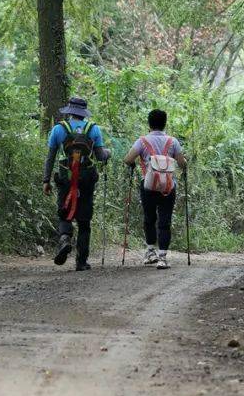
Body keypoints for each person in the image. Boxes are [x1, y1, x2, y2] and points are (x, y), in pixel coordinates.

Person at [43, 96, 110, 271]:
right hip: (87, 179)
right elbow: (101, 157)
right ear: (84, 113)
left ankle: (65, 239)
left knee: (65, 214)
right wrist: (108, 153)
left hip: (65, 177)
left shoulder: (58, 129)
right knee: (84, 220)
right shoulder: (93, 129)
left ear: (70, 111)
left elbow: (50, 158)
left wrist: (46, 180)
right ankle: (81, 262)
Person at [124, 109, 187, 269]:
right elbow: (181, 163)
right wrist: (184, 162)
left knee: (149, 218)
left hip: (149, 186)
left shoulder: (142, 141)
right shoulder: (173, 142)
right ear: (165, 123)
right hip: (168, 187)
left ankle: (150, 252)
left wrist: (135, 163)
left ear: (149, 123)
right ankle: (163, 257)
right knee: (165, 221)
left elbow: (128, 159)